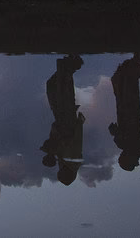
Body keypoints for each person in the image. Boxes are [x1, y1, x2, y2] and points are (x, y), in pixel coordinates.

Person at [41, 55, 84, 185]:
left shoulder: (66, 161)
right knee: (62, 88)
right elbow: (66, 140)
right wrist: (51, 152)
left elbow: (58, 143)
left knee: (54, 86)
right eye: (61, 173)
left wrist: (51, 152)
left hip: (62, 119)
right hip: (67, 120)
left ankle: (68, 66)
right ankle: (71, 64)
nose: (59, 170)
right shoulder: (71, 160)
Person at [109, 53, 140, 171]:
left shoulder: (122, 144)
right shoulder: (138, 150)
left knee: (122, 85)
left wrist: (116, 132)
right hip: (132, 113)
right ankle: (136, 62)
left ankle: (134, 62)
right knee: (130, 86)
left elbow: (114, 130)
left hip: (124, 111)